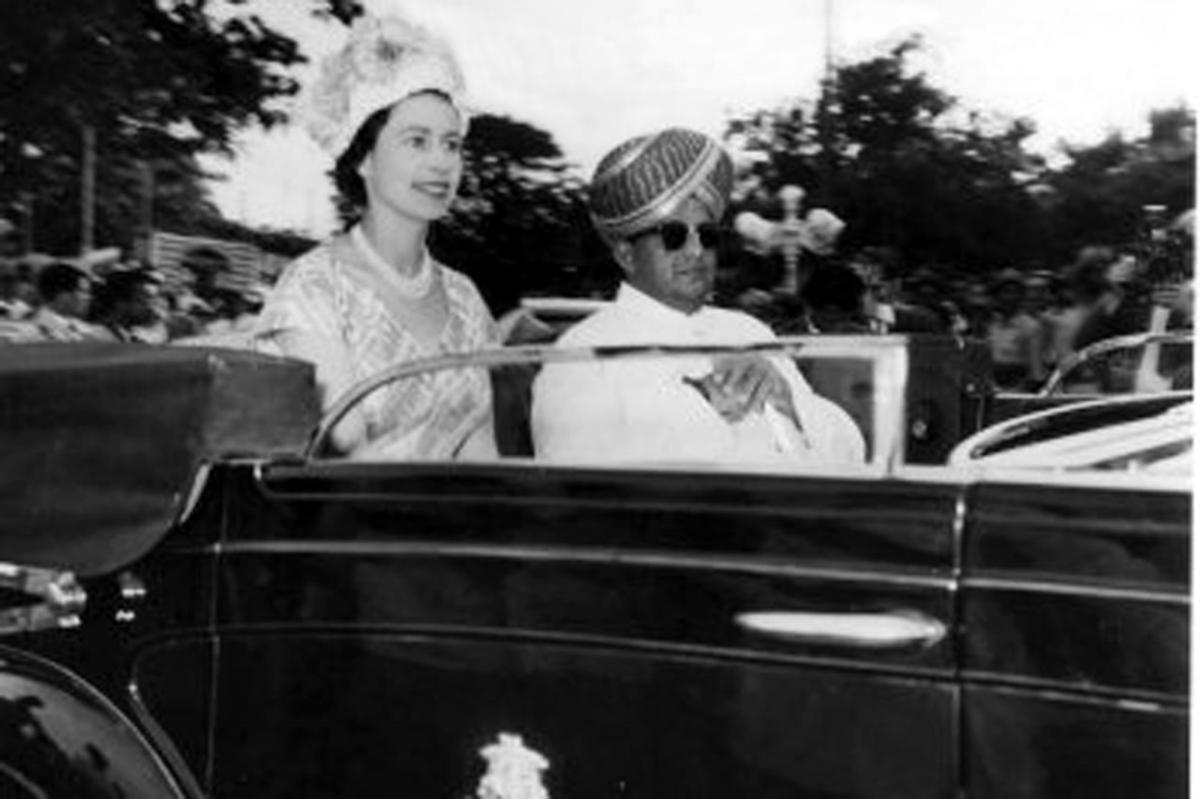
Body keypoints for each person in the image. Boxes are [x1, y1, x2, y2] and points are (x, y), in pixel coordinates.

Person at [530, 128, 864, 466]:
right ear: (626, 255)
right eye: (673, 235)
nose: (696, 250)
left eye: (707, 234)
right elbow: (572, 483)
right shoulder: (581, 354)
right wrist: (703, 404)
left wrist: (789, 406)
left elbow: (850, 455)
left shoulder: (749, 332)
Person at [253, 13, 497, 461]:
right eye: (417, 141)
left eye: (451, 143)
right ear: (363, 158)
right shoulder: (313, 287)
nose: (442, 163)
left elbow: (485, 456)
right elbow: (348, 457)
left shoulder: (466, 299)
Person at [30, 261, 106, 341]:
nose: (88, 297)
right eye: (83, 291)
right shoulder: (33, 332)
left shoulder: (87, 328)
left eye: (88, 292)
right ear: (62, 295)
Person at [89, 268, 169, 342]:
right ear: (121, 303)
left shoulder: (131, 329)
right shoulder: (99, 335)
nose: (146, 305)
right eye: (140, 300)